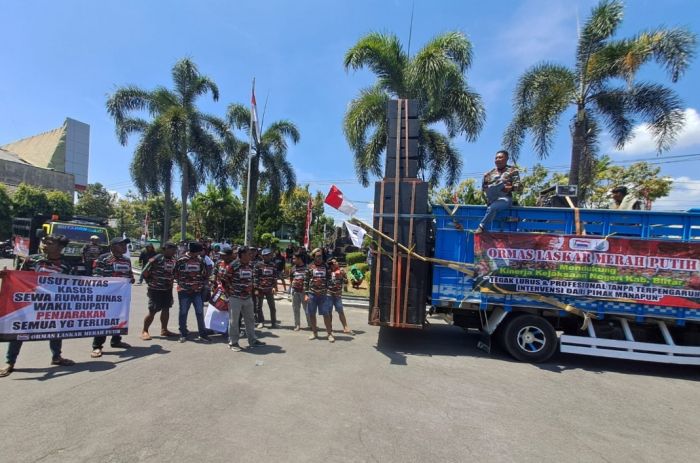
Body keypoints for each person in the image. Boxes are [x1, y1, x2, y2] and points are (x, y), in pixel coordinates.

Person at [0, 234, 75, 378]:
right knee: (19, 333)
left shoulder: (67, 266)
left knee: (55, 331)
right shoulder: (32, 260)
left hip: (53, 306)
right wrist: (6, 276)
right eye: (44, 242)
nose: (44, 244)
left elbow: (72, 286)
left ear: (60, 247)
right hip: (29, 304)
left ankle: (56, 357)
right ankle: (10, 362)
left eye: (49, 243)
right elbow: (18, 277)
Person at [90, 237, 134, 358]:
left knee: (120, 318)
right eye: (122, 245)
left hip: (122, 296)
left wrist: (130, 279)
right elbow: (97, 277)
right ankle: (97, 346)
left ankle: (116, 340)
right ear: (113, 246)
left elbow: (129, 274)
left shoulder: (126, 260)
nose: (125, 247)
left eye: (125, 245)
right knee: (104, 320)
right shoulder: (103, 259)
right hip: (107, 297)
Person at [222, 246, 265, 351]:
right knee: (234, 321)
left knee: (250, 319)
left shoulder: (250, 265)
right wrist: (229, 293)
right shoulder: (233, 265)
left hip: (247, 297)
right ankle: (233, 343)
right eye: (249, 254)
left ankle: (252, 340)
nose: (251, 255)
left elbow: (252, 278)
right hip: (235, 297)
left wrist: (253, 290)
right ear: (242, 255)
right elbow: (224, 279)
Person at [475, 150, 522, 234]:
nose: (497, 159)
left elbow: (519, 187)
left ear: (506, 158)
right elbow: (484, 189)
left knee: (492, 208)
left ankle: (481, 226)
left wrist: (510, 188)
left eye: (500, 157)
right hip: (492, 197)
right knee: (494, 186)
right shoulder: (491, 172)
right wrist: (485, 181)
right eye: (496, 158)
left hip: (505, 197)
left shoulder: (513, 170)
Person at [174, 242, 211, 343]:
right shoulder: (181, 260)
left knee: (199, 312)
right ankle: (183, 334)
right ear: (195, 251)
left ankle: (202, 334)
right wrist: (184, 284)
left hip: (197, 292)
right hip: (184, 292)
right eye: (200, 250)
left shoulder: (200, 261)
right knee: (183, 312)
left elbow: (205, 274)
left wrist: (203, 285)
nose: (201, 252)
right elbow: (175, 274)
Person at [140, 242, 178, 340]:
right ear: (165, 249)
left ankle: (164, 330)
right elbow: (144, 271)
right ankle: (145, 331)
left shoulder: (173, 260)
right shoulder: (156, 258)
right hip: (155, 289)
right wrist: (150, 282)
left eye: (175, 249)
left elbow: (174, 273)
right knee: (152, 310)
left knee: (166, 309)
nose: (174, 251)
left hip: (167, 289)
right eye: (172, 249)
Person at [304, 248, 334, 342]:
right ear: (314, 257)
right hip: (312, 294)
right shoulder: (309, 267)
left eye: (321, 256)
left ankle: (329, 334)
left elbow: (330, 279)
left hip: (323, 295)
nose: (320, 257)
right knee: (312, 314)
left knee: (326, 314)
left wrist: (328, 289)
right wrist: (306, 294)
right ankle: (314, 333)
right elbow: (306, 281)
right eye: (317, 256)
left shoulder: (326, 267)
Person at [254, 248, 279, 328]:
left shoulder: (273, 265)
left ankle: (273, 322)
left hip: (269, 289)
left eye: (269, 255)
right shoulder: (258, 265)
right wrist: (256, 288)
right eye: (266, 255)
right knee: (259, 306)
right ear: (262, 256)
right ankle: (261, 322)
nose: (267, 257)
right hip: (260, 289)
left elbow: (275, 277)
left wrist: (275, 287)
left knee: (272, 307)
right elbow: (255, 277)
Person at [328, 258, 352, 333]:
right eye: (332, 263)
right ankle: (329, 327)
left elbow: (346, 282)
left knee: (340, 311)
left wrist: (341, 276)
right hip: (329, 294)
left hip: (337, 295)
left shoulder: (341, 270)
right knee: (329, 312)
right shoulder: (328, 271)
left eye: (335, 262)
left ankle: (345, 327)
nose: (334, 264)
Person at [289, 251, 309, 331]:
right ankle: (297, 325)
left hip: (304, 292)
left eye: (294, 258)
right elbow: (291, 279)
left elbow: (309, 279)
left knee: (307, 309)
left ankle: (310, 324)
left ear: (299, 259)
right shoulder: (293, 268)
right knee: (295, 309)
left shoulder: (307, 268)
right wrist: (291, 289)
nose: (293, 260)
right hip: (295, 292)